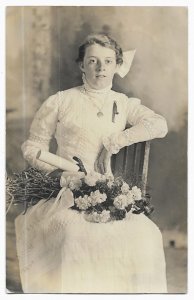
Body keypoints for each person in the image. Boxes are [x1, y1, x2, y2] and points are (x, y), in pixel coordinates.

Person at [15, 33, 168, 293]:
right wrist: (61, 175)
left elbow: (159, 125)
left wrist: (117, 140)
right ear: (82, 65)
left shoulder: (123, 103)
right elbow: (33, 147)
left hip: (110, 192)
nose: (101, 68)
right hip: (66, 192)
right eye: (93, 61)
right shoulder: (61, 101)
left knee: (148, 234)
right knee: (75, 235)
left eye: (108, 61)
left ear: (116, 65)